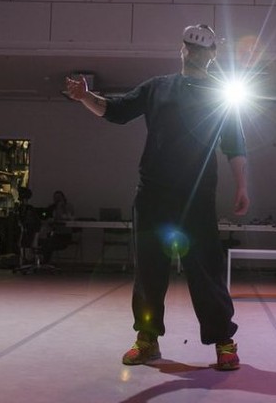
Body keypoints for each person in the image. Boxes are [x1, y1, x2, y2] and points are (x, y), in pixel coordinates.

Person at [66, 24, 250, 371]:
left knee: (205, 269)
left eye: (202, 49)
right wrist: (86, 97)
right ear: (182, 50)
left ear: (213, 55)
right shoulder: (157, 87)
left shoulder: (221, 95)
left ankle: (223, 341)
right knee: (150, 269)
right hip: (153, 193)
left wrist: (242, 186)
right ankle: (147, 339)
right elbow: (117, 111)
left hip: (197, 195)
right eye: (190, 47)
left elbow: (234, 144)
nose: (194, 53)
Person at [41, 190, 75, 264]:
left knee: (49, 243)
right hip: (53, 233)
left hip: (64, 235)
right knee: (43, 241)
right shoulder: (52, 207)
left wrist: (60, 207)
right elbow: (45, 216)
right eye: (55, 198)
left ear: (63, 198)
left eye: (59, 197)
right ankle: (42, 261)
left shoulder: (68, 206)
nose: (57, 199)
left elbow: (67, 218)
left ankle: (45, 262)